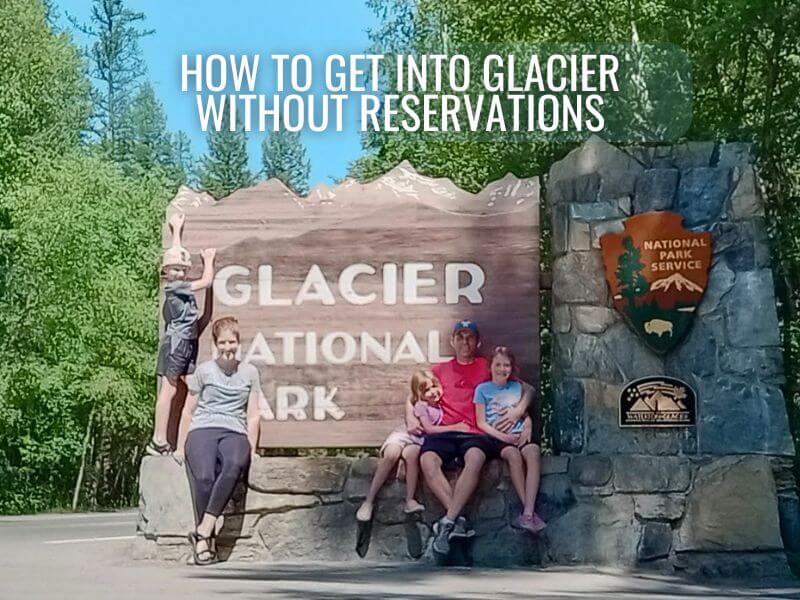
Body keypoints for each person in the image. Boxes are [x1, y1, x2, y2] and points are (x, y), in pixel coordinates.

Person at [419, 320, 531, 555]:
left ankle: (446, 522)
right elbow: (413, 394)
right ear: (452, 341)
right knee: (427, 460)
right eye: (460, 337)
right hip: (447, 430)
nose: (464, 342)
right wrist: (411, 417)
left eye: (469, 337)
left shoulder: (485, 366)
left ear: (477, 342)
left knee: (476, 459)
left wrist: (521, 411)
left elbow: (526, 389)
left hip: (476, 432)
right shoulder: (439, 370)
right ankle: (456, 518)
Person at [173, 316, 261, 566]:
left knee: (234, 463)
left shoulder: (249, 373)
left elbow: (253, 415)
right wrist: (180, 447)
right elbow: (188, 411)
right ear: (215, 344)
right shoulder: (204, 371)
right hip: (203, 429)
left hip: (234, 430)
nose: (227, 347)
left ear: (238, 342)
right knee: (204, 476)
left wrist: (252, 450)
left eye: (231, 342)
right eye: (222, 342)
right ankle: (206, 541)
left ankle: (205, 527)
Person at [356, 370, 469, 524]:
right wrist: (456, 427)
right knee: (391, 454)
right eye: (426, 390)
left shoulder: (440, 406)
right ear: (419, 393)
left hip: (417, 442)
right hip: (403, 436)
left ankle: (410, 500)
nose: (432, 392)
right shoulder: (421, 406)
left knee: (413, 455)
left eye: (434, 387)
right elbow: (429, 429)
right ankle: (368, 501)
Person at [148, 212, 216, 456]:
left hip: (188, 342)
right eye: (173, 269)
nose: (178, 272)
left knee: (192, 387)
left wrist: (177, 231)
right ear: (165, 271)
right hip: (176, 342)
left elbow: (177, 257)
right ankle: (158, 439)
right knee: (170, 389)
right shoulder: (175, 287)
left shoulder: (178, 280)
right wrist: (208, 260)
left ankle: (183, 441)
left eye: (182, 269)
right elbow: (207, 282)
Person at [474, 346, 546, 534]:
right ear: (490, 367)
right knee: (513, 456)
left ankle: (528, 511)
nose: (502, 369)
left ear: (512, 368)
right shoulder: (482, 389)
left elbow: (525, 408)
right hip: (498, 438)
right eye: (498, 365)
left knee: (533, 453)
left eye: (506, 365)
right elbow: (481, 423)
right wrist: (504, 437)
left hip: (521, 434)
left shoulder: (516, 387)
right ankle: (528, 512)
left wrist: (527, 425)